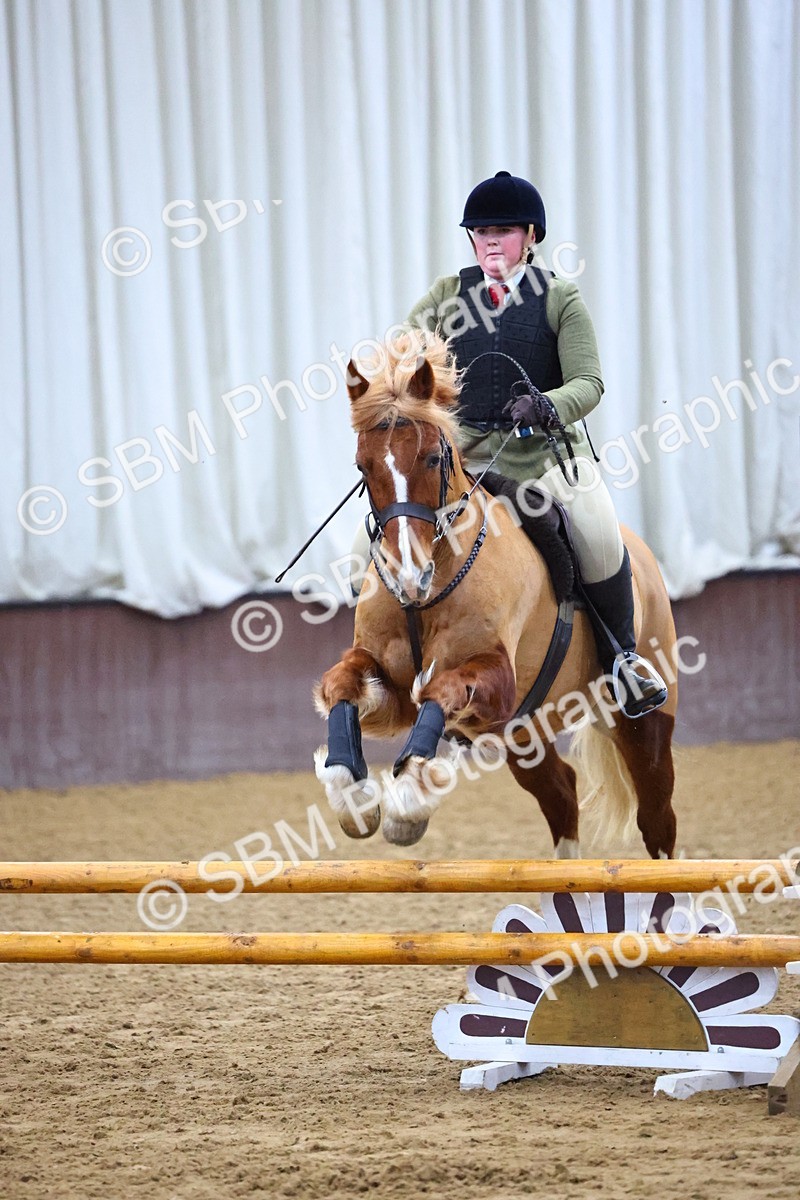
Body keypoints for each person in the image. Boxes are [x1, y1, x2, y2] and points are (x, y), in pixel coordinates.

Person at [406, 170, 667, 719]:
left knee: (597, 535)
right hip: (467, 461)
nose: (490, 241)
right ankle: (388, 656)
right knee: (381, 537)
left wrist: (547, 404)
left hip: (545, 459)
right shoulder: (446, 297)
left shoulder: (559, 298)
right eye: (480, 232)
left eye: (502, 230)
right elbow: (407, 357)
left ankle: (622, 658)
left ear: (529, 235)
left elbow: (589, 382)